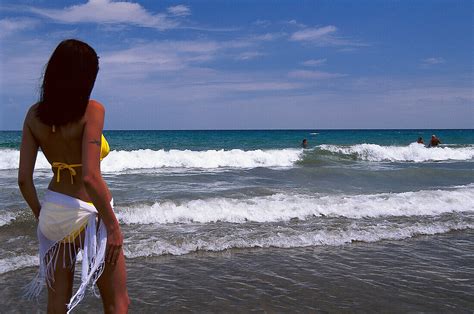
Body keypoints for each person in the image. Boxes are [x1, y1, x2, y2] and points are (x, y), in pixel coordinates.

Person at [18, 39, 129, 313]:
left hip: (55, 210)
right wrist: (113, 227)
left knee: (57, 304)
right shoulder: (92, 110)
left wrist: (41, 215)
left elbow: (23, 179)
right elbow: (90, 177)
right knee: (117, 303)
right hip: (91, 212)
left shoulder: (34, 115)